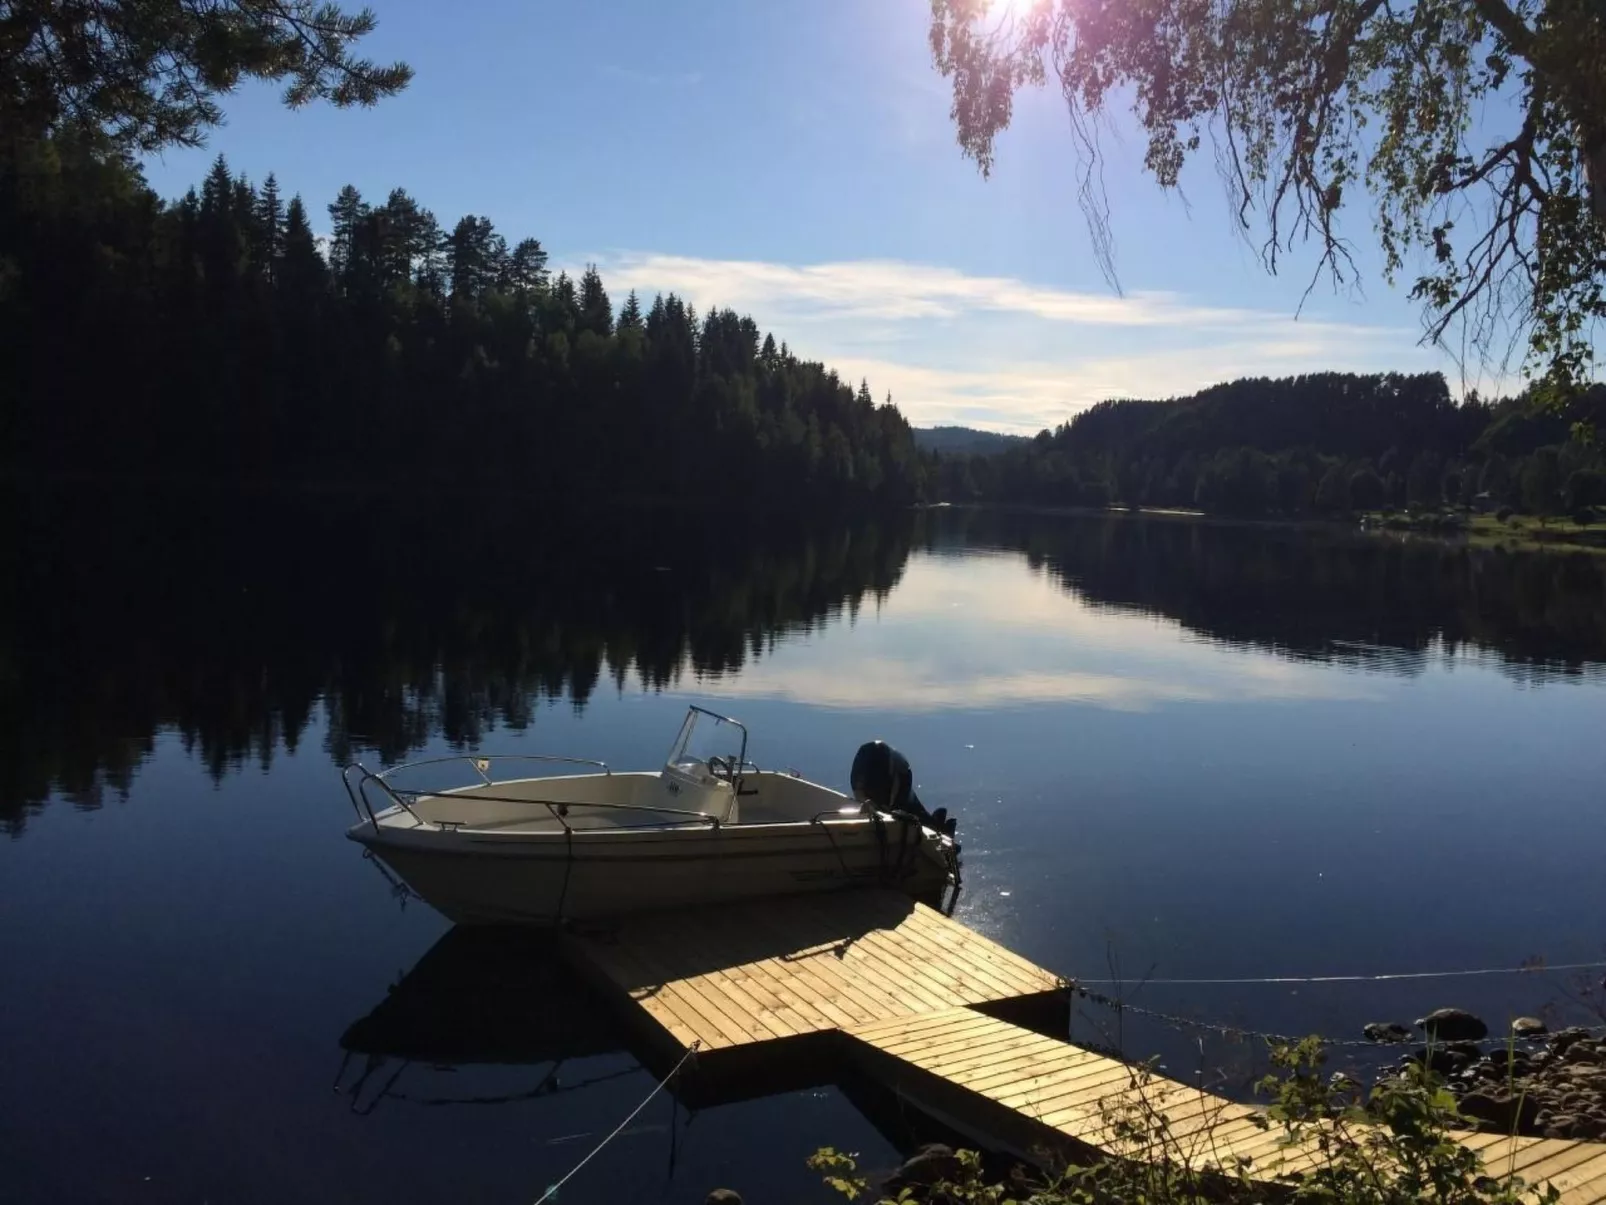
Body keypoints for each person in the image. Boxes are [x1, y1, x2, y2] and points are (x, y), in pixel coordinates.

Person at [849, 740, 953, 835]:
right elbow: (860, 791)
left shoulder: (897, 778)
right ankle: (937, 827)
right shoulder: (865, 766)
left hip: (901, 779)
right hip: (891, 777)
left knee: (911, 814)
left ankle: (938, 829)